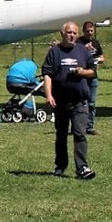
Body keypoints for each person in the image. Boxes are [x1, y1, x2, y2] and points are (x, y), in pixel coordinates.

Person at [41, 22, 96, 180]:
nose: (71, 35)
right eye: (69, 32)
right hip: (61, 101)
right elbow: (48, 74)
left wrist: (82, 71)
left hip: (80, 101)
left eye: (74, 33)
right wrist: (49, 94)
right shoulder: (54, 52)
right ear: (62, 33)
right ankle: (60, 165)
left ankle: (82, 167)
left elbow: (93, 71)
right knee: (61, 135)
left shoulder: (82, 51)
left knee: (80, 134)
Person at [80, 21, 104, 134]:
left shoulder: (96, 42)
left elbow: (102, 57)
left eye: (91, 31)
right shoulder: (78, 42)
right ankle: (79, 125)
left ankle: (89, 127)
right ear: (83, 31)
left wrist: (98, 60)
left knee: (92, 102)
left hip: (93, 76)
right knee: (80, 102)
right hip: (81, 76)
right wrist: (85, 49)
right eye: (88, 31)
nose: (90, 33)